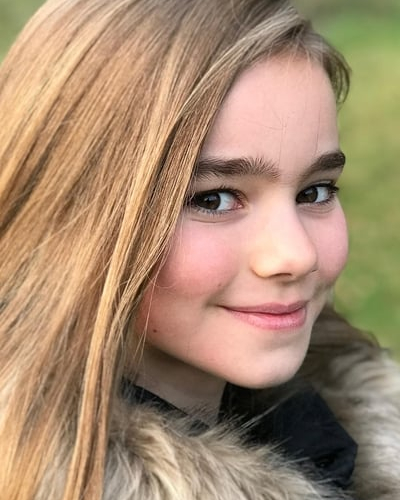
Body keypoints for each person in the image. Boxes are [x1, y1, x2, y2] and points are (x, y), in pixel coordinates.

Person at [0, 0, 399, 499]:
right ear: (65, 210)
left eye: (315, 191)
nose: (296, 255)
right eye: (214, 199)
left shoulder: (352, 426)